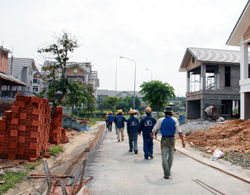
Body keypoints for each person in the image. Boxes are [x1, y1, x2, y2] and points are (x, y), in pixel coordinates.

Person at [150, 106, 185, 179]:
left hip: (164, 139)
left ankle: (166, 173)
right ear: (171, 113)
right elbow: (179, 131)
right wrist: (182, 141)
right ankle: (168, 170)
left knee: (164, 156)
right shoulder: (175, 120)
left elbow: (155, 129)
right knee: (171, 156)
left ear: (164, 113)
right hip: (172, 139)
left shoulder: (160, 120)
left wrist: (152, 133)